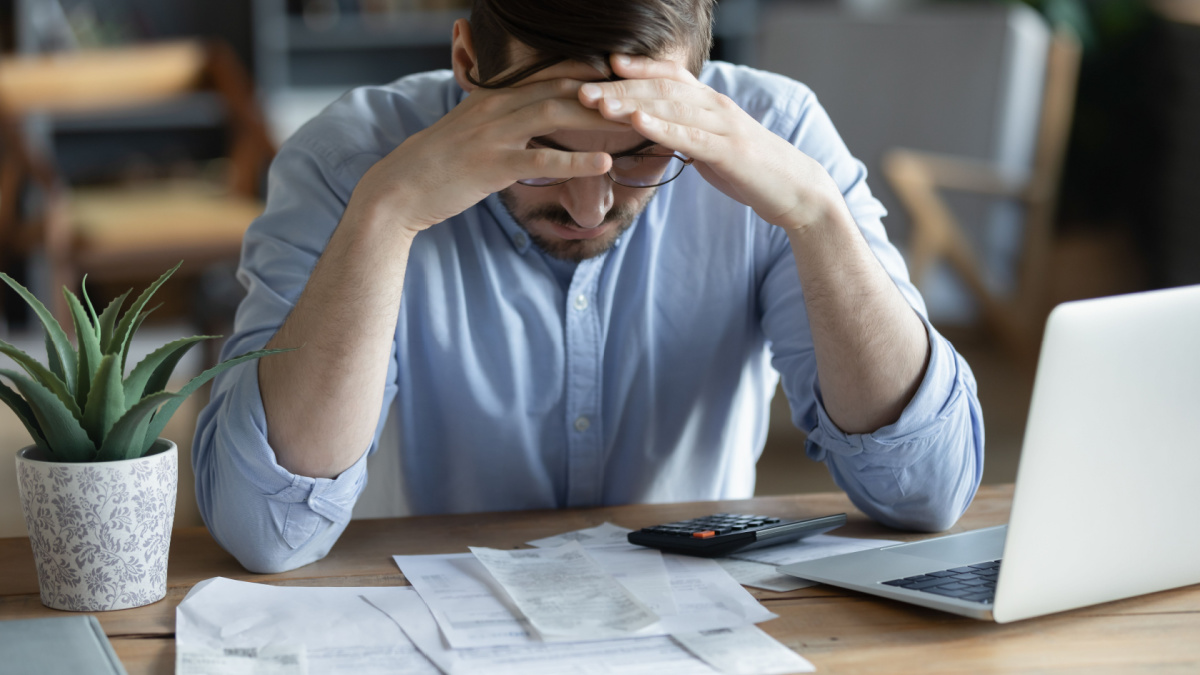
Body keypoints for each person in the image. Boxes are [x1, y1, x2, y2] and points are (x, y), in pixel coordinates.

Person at [193, 0, 984, 573]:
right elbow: (268, 530)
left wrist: (817, 216)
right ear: (468, 63)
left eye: (643, 154)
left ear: (698, 75)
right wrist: (388, 213)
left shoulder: (780, 135)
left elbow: (927, 490)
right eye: (542, 147)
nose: (588, 205)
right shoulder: (347, 163)